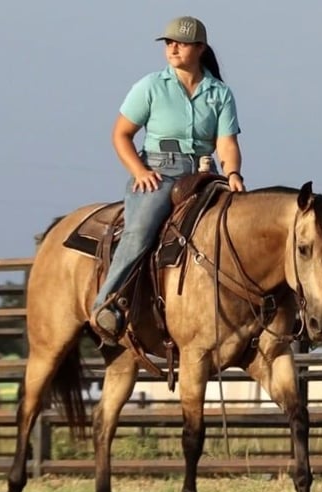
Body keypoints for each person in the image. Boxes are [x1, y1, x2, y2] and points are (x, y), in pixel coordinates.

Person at [90, 15, 246, 346]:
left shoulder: (219, 93)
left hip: (203, 174)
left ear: (200, 48)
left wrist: (232, 173)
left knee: (235, 230)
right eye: (169, 43)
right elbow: (121, 135)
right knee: (141, 230)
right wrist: (140, 172)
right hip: (158, 173)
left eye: (180, 42)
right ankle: (106, 302)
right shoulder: (149, 86)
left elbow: (226, 143)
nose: (172, 48)